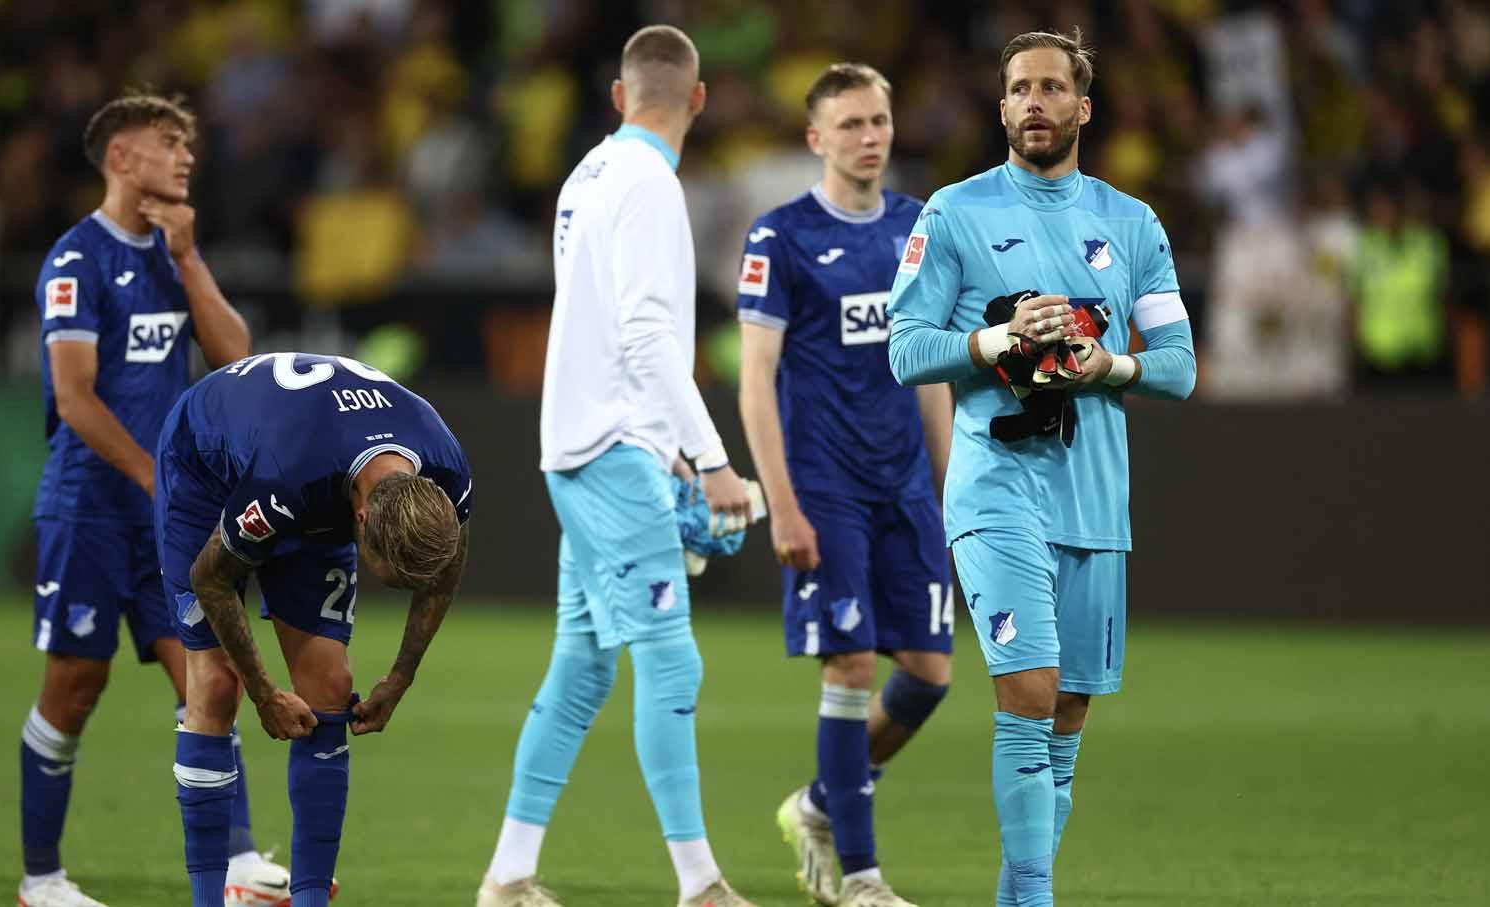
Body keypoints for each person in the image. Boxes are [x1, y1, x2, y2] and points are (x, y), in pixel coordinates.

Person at [885, 30, 1196, 907]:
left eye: (1052, 88)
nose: (1034, 102)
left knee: (1066, 717)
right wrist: (999, 339)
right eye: (1019, 88)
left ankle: (1016, 894)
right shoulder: (953, 211)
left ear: (1082, 107)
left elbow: (1180, 364)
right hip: (995, 487)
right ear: (1001, 106)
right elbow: (907, 351)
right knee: (1028, 690)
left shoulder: (1132, 224)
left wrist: (1113, 366)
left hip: (1094, 499)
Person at [477, 25, 758, 907]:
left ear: (617, 96)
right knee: (671, 666)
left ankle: (507, 875)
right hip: (609, 453)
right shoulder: (648, 185)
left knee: (585, 668)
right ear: (699, 98)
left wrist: (666, 443)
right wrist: (709, 460)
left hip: (596, 441)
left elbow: (605, 326)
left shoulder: (590, 174)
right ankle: (701, 885)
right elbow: (640, 333)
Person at [20, 93, 280, 907]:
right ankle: (42, 879)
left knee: (212, 678)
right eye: (169, 143)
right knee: (74, 688)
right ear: (121, 158)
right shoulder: (75, 262)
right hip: (89, 510)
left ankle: (236, 865)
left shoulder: (173, 255)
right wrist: (156, 477)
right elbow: (75, 398)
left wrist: (192, 258)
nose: (185, 156)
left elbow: (235, 355)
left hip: (158, 518)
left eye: (188, 145)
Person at [734, 63, 955, 907]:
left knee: (930, 675)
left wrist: (947, 489)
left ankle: (823, 801)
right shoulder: (780, 238)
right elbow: (757, 380)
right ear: (815, 138)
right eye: (851, 124)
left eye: (879, 121)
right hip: (825, 487)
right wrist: (779, 500)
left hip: (904, 486)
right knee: (854, 661)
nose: (870, 137)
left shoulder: (919, 229)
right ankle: (860, 877)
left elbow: (931, 369)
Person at [155, 351, 471, 907]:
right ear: (364, 521)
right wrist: (264, 693)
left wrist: (399, 679)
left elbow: (442, 580)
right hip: (207, 466)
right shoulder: (286, 472)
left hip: (320, 482)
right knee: (214, 684)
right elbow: (212, 579)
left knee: (328, 683)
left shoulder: (447, 471)